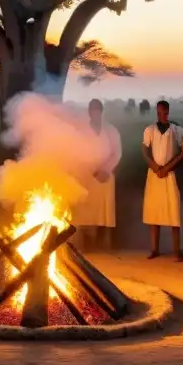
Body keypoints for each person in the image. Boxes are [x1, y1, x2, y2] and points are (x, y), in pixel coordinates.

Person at [72, 99, 122, 251]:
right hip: (86, 176)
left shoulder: (111, 130)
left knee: (105, 212)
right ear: (89, 112)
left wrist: (106, 170)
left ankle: (106, 246)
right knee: (85, 212)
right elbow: (76, 152)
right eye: (92, 110)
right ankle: (83, 245)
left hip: (105, 176)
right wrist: (90, 169)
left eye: (97, 110)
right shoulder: (81, 131)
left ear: (101, 111)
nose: (95, 113)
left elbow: (116, 153)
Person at [141, 100, 183, 260]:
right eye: (160, 112)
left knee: (173, 212)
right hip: (154, 174)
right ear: (157, 112)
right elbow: (145, 151)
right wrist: (154, 166)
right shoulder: (149, 130)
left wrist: (168, 167)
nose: (163, 115)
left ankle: (176, 251)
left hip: (170, 175)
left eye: (165, 112)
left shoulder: (177, 130)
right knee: (154, 212)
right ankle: (154, 249)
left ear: (168, 112)